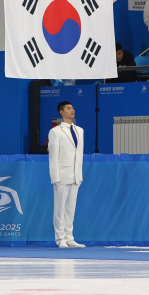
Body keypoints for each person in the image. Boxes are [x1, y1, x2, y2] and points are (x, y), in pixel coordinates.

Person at [48, 101, 85, 248]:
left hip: (75, 174)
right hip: (62, 174)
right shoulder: (56, 131)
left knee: (71, 208)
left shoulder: (80, 130)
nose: (72, 110)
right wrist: (55, 177)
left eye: (73, 108)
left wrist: (79, 174)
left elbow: (79, 154)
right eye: (69, 108)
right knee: (60, 209)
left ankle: (69, 237)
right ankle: (60, 238)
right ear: (61, 112)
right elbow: (53, 156)